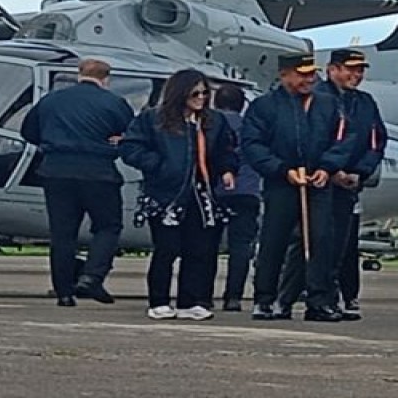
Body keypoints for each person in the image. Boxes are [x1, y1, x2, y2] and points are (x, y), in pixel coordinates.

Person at [241, 52, 351, 323]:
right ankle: (265, 299)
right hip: (282, 183)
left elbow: (343, 140)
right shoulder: (264, 106)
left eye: (311, 73)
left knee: (321, 240)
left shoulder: (328, 104)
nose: (309, 79)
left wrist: (327, 168)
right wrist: (281, 169)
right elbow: (253, 145)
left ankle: (318, 301)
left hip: (318, 182)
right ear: (284, 74)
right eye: (302, 74)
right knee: (273, 241)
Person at [122, 69, 239, 321]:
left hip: (201, 195)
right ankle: (159, 300)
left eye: (205, 93)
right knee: (167, 248)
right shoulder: (153, 119)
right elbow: (130, 147)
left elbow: (225, 150)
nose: (201, 98)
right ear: (180, 93)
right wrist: (158, 165)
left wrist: (228, 169)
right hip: (165, 195)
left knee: (197, 250)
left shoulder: (214, 121)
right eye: (195, 93)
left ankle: (189, 301)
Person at [20, 58, 134, 307]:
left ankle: (63, 292)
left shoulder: (50, 100)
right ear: (106, 79)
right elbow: (130, 134)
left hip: (56, 171)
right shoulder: (114, 103)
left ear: (79, 74)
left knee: (62, 234)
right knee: (107, 226)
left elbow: (28, 132)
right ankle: (92, 276)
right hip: (99, 171)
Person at [207, 84, 259, 312]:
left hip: (215, 190)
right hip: (247, 190)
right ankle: (233, 296)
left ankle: (203, 294)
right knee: (241, 247)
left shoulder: (210, 125)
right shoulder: (250, 128)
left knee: (206, 245)